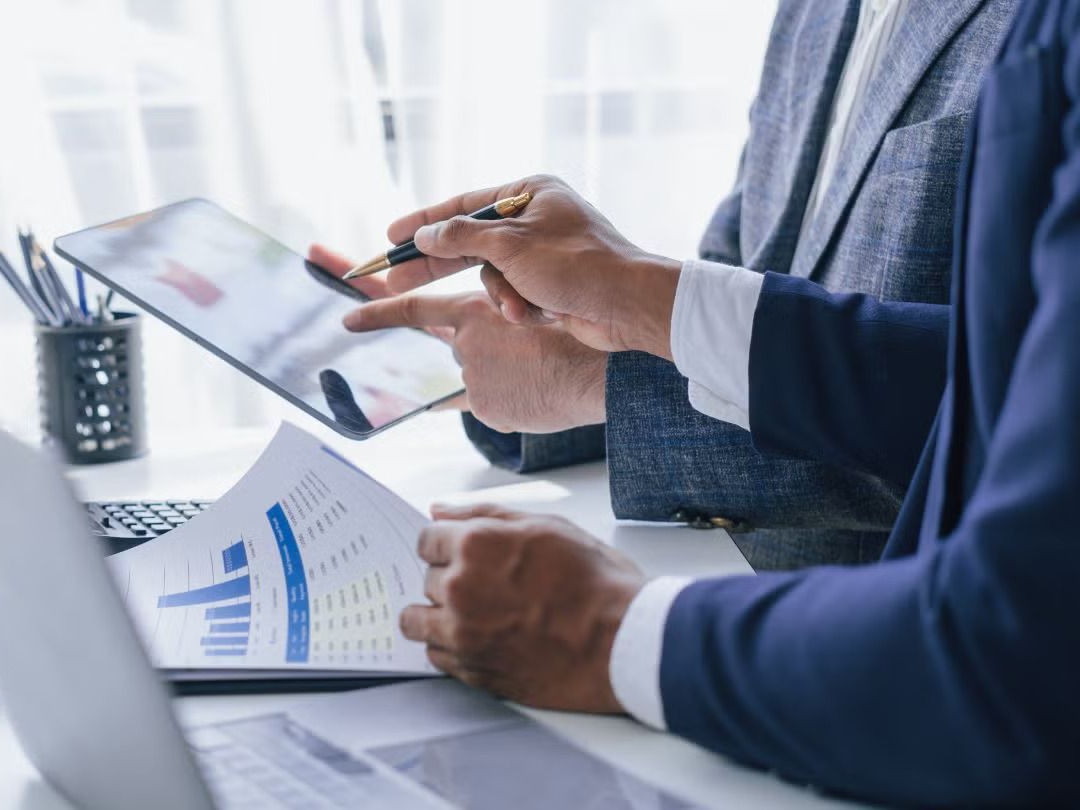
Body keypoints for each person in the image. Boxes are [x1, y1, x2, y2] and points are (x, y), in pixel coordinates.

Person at [338, 0, 1080, 802]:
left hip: (872, 695)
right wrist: (590, 333)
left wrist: (611, 628)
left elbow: (984, 414)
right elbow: (743, 279)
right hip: (787, 677)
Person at [312, 0, 1018, 569]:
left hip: (914, 653)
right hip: (715, 588)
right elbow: (742, 288)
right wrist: (556, 339)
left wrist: (599, 377)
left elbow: (1014, 413)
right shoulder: (816, 13)